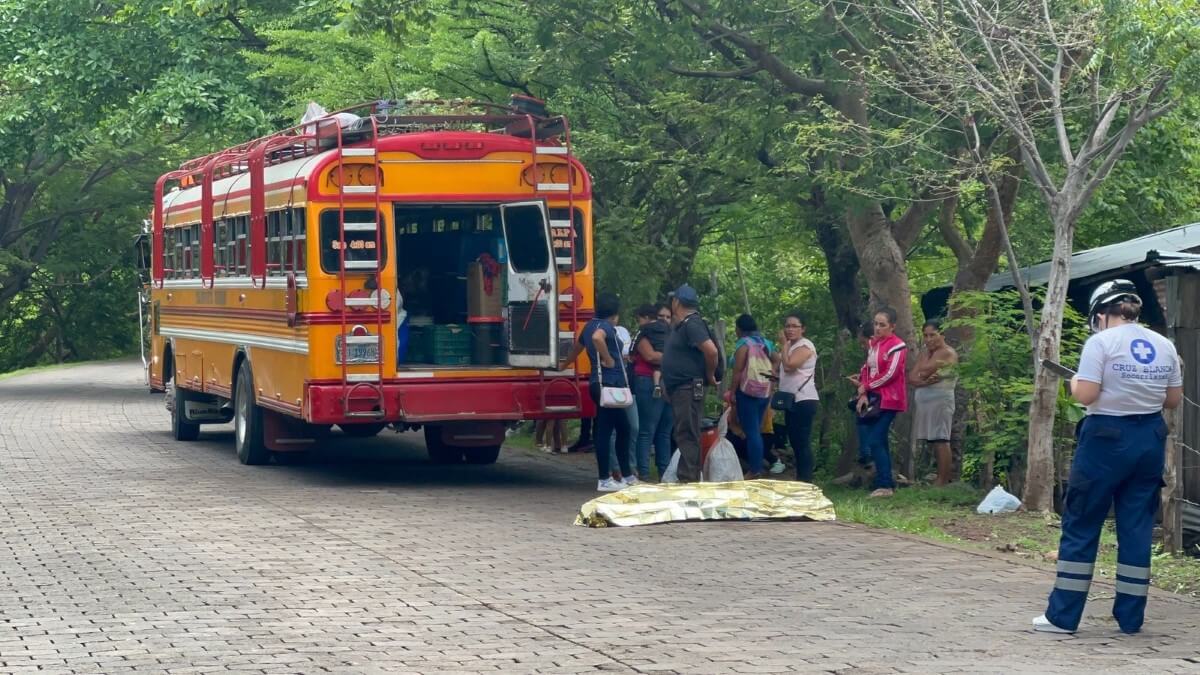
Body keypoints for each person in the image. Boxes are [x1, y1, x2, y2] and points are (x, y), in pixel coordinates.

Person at [1033, 280, 1182, 635]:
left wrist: (1073, 385)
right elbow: (1172, 400)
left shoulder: (1100, 343)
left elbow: (1086, 394)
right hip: (1149, 440)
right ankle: (1131, 619)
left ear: (1100, 313)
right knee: (1136, 527)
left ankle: (1062, 617)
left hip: (1105, 439)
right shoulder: (1164, 344)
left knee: (1083, 522)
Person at [560, 293, 634, 491]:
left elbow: (577, 348)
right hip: (609, 384)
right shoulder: (605, 327)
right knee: (611, 430)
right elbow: (597, 339)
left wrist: (564, 364)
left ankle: (624, 475)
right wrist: (608, 359)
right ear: (615, 315)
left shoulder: (589, 325)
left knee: (616, 428)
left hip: (599, 384)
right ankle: (606, 478)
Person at [661, 284, 720, 483]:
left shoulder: (692, 324)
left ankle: (689, 479)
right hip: (680, 388)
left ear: (676, 302)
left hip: (688, 387)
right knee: (684, 432)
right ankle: (687, 476)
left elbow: (711, 351)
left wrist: (710, 374)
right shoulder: (683, 324)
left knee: (688, 433)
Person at [856, 308, 907, 498]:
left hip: (890, 398)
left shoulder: (897, 346)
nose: (878, 328)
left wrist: (867, 386)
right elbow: (866, 369)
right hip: (874, 398)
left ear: (892, 326)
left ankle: (885, 484)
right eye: (876, 324)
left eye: (882, 325)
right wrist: (863, 391)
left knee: (875, 440)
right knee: (880, 440)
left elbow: (891, 373)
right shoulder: (874, 345)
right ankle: (886, 481)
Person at [909, 320, 959, 486]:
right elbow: (913, 377)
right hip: (925, 400)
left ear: (941, 335)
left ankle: (943, 479)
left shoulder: (948, 353)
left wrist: (923, 375)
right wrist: (924, 380)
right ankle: (937, 476)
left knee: (941, 439)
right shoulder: (925, 353)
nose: (928, 339)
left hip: (940, 400)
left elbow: (927, 371)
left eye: (932, 335)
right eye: (925, 335)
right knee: (933, 440)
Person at [631, 304, 673, 479]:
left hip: (647, 381)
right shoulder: (672, 332)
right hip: (670, 381)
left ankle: (645, 473)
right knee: (664, 432)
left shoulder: (643, 333)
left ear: (646, 317)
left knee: (647, 430)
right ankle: (664, 473)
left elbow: (648, 356)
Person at [777, 312, 819, 482]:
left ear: (803, 329)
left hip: (804, 398)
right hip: (791, 399)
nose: (790, 329)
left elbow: (790, 366)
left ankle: (806, 479)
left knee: (801, 440)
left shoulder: (804, 346)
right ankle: (801, 476)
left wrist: (783, 346)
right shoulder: (792, 346)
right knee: (794, 439)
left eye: (795, 326)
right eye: (787, 326)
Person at [732, 314, 773, 479]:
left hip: (747, 391)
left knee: (751, 432)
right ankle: (757, 465)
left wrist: (732, 390)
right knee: (757, 430)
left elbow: (738, 371)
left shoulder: (743, 345)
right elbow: (777, 360)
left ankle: (755, 469)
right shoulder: (766, 343)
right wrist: (771, 377)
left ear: (739, 329)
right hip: (764, 390)